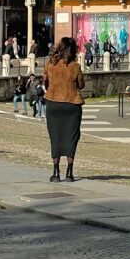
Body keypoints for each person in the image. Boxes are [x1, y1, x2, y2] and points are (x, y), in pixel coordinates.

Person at [43, 37, 85, 183]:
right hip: (72, 105)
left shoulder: (49, 64)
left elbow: (45, 81)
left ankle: (55, 172)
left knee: (55, 137)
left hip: (53, 104)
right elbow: (81, 84)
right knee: (71, 138)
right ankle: (69, 172)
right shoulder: (75, 66)